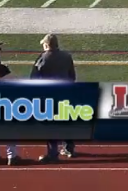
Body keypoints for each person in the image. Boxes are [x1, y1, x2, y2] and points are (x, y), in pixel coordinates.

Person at [31, 34, 77, 162]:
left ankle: (52, 153)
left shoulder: (42, 58)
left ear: (46, 45)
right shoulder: (67, 56)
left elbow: (34, 78)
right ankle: (69, 148)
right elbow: (72, 75)